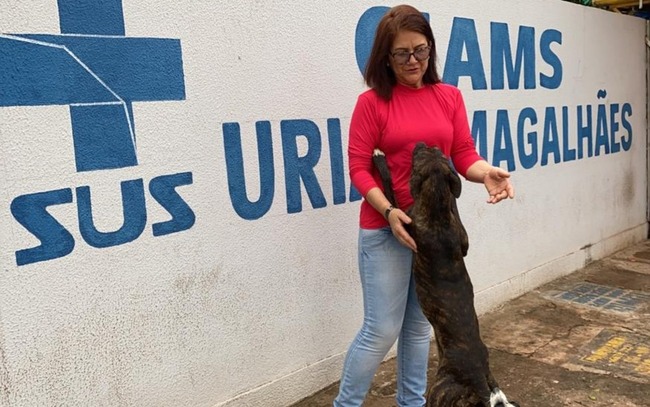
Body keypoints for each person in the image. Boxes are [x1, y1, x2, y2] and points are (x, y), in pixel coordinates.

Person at [334, 4, 515, 407]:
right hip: (386, 227)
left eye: (421, 50)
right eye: (402, 53)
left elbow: (463, 152)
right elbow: (359, 168)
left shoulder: (448, 96)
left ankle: (411, 404)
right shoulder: (372, 103)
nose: (413, 60)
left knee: (418, 329)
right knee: (380, 330)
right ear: (386, 56)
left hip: (433, 233)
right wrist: (388, 212)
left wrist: (485, 172)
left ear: (431, 50)